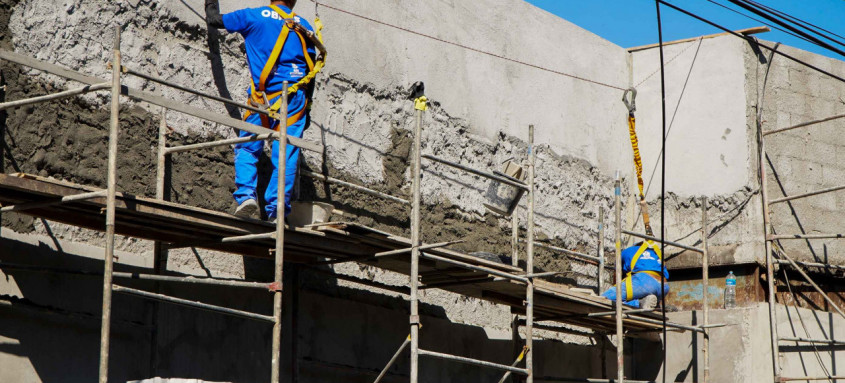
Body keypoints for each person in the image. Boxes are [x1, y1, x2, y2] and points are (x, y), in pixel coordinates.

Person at [205, 0, 317, 221]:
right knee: (286, 154)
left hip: (263, 98)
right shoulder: (305, 27)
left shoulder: (254, 16)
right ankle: (277, 212)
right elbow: (311, 72)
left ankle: (246, 196)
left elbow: (214, 19)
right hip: (295, 100)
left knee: (248, 146)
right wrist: (308, 110)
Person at [601, 241, 669, 309]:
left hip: (644, 281)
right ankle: (650, 303)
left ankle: (638, 303)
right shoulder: (656, 254)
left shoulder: (629, 250)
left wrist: (616, 288)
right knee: (644, 296)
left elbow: (617, 273)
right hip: (664, 287)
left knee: (606, 298)